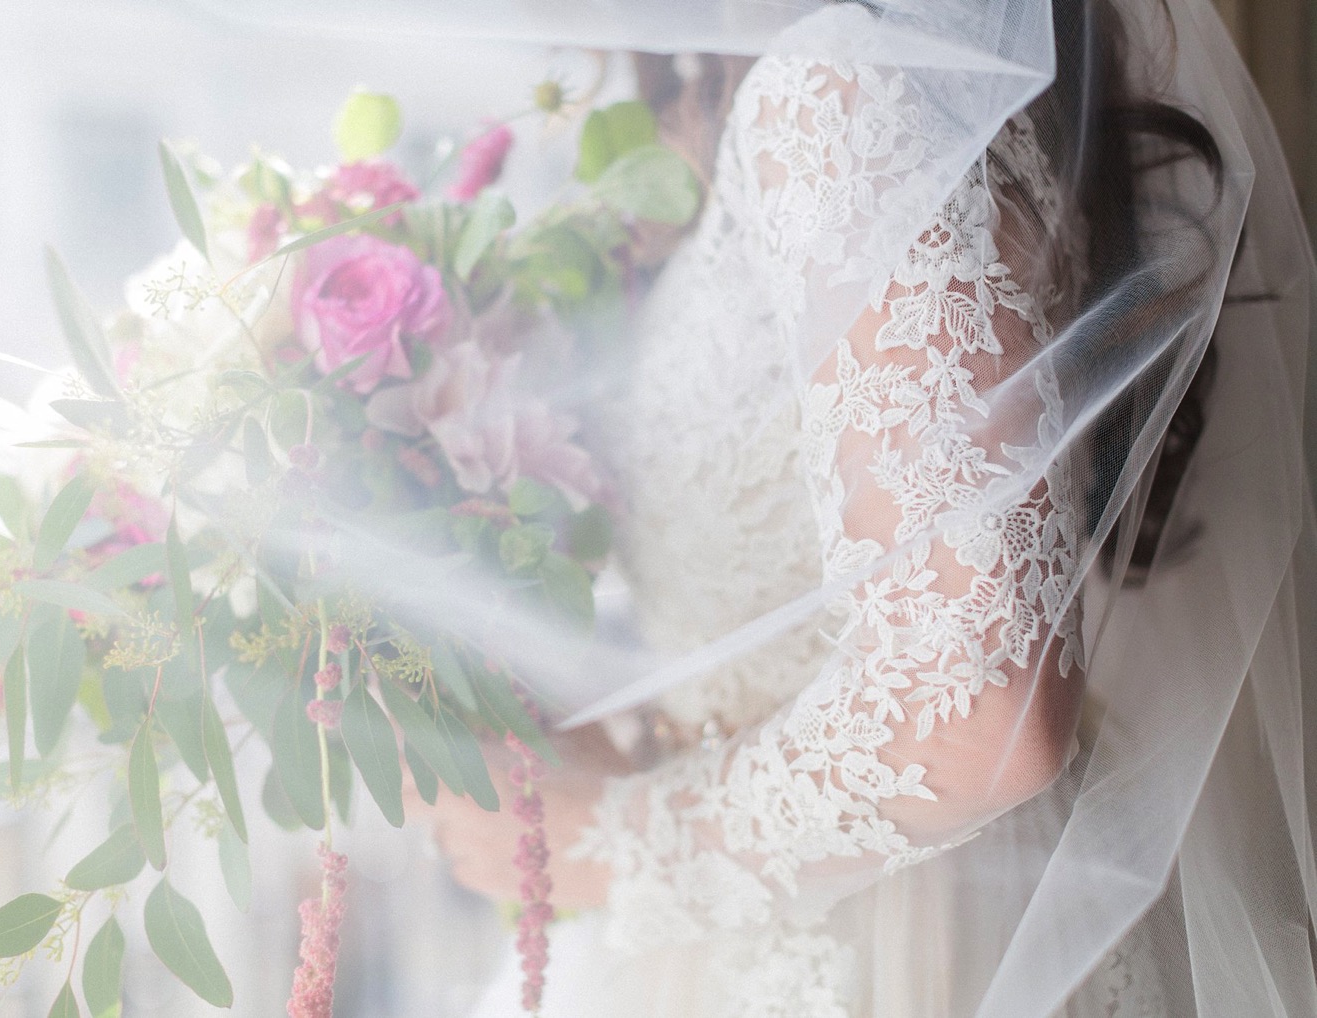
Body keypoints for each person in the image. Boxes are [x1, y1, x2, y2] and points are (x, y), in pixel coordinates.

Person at [365, 0, 1317, 1014]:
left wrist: (612, 840)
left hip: (898, 950)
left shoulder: (843, 91)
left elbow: (981, 710)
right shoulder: (830, 84)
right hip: (840, 905)